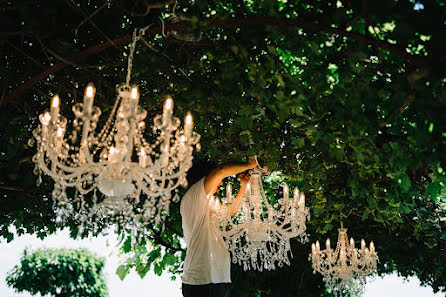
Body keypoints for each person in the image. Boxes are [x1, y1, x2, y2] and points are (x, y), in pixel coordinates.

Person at [180, 157, 258, 297]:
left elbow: (231, 212)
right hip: (199, 280)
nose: (221, 183)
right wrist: (249, 164)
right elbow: (220, 172)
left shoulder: (208, 204)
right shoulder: (192, 196)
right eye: (218, 180)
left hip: (218, 279)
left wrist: (244, 186)